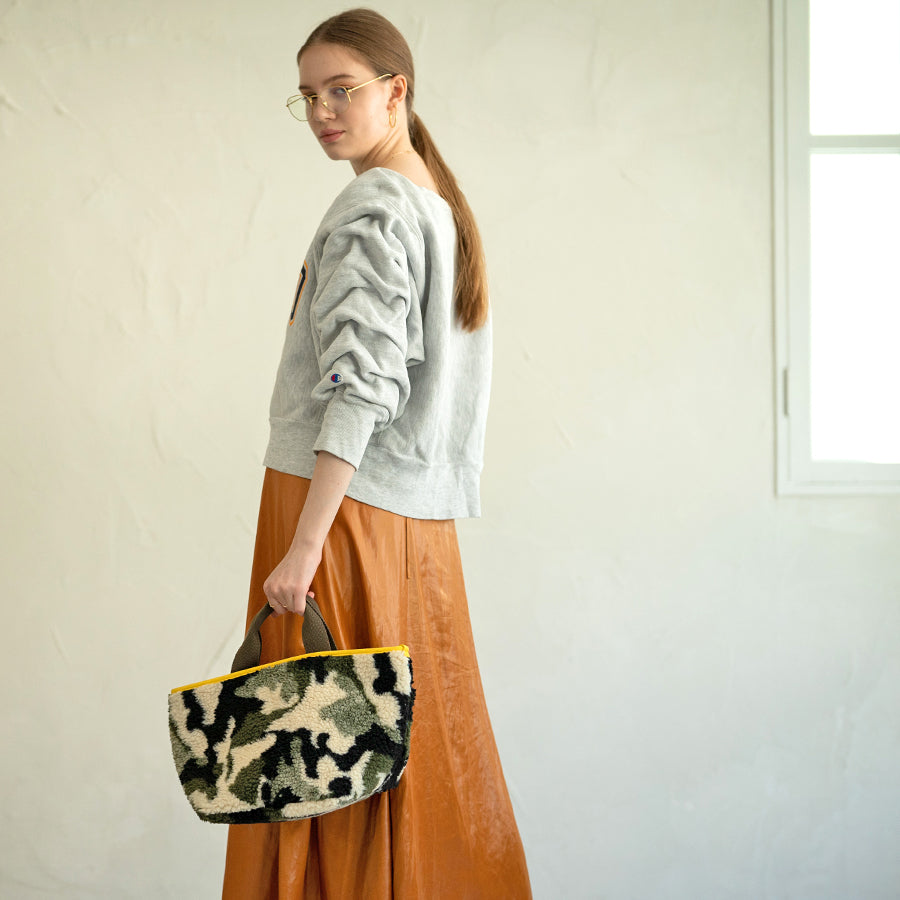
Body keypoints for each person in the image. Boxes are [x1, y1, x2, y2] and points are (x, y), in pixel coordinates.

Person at [221, 8, 532, 898]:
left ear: (396, 92)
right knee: (391, 763)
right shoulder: (434, 204)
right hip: (407, 526)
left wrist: (305, 547)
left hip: (341, 517)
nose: (322, 112)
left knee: (315, 772)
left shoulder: (375, 207)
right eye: (308, 96)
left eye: (342, 90)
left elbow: (361, 389)